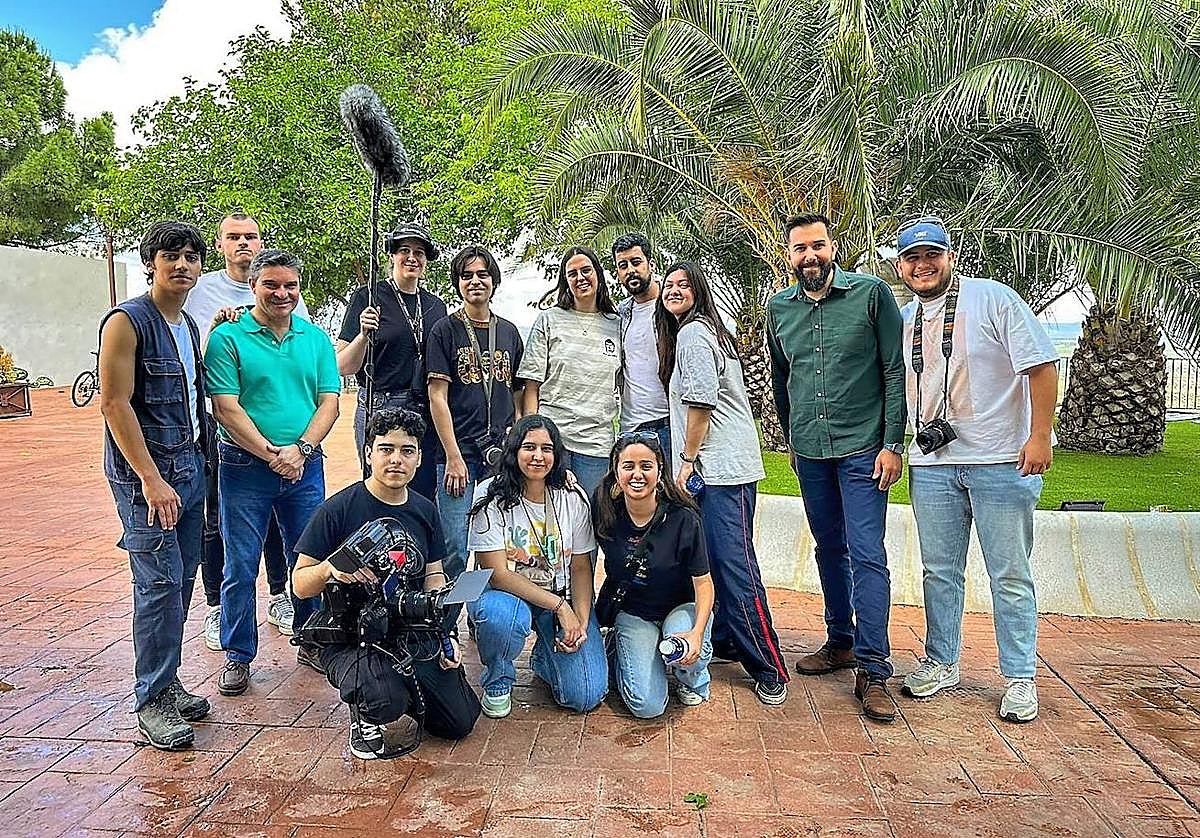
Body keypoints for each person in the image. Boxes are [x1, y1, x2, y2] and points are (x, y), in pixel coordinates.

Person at [894, 217, 1057, 723]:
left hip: (1000, 460)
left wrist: (1039, 436)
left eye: (932, 255)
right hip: (934, 463)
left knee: (1009, 573)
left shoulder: (994, 299)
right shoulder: (904, 318)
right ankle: (942, 662)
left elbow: (1042, 367)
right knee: (939, 571)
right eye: (913, 258)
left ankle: (1020, 677)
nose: (923, 266)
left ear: (950, 256)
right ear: (900, 266)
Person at [765, 213, 906, 723]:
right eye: (799, 249)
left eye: (817, 245)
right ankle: (840, 639)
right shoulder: (778, 308)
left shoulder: (872, 296)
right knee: (828, 547)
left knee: (867, 552)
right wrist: (789, 437)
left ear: (833, 247)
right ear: (789, 256)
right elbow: (782, 377)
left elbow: (894, 370)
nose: (810, 256)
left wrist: (893, 443)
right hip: (810, 451)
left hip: (865, 448)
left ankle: (874, 666)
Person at [292, 408, 481, 759]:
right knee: (385, 699)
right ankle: (368, 706)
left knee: (460, 721)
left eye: (407, 450)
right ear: (368, 453)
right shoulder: (339, 509)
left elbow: (433, 574)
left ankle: (401, 686)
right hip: (354, 635)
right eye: (386, 449)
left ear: (419, 457)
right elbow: (300, 584)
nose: (396, 459)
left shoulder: (425, 510)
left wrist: (445, 634)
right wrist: (330, 570)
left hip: (409, 629)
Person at [204, 249, 341, 696]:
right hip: (244, 468)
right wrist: (271, 453)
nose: (281, 294)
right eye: (271, 285)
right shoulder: (227, 338)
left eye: (290, 286)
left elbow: (329, 402)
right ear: (253, 286)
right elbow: (226, 408)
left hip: (305, 467)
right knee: (240, 564)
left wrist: (300, 450)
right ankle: (238, 654)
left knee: (309, 559)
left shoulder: (315, 338)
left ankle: (311, 639)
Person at [98, 221, 211, 749]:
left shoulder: (186, 325)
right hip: (149, 479)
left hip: (190, 470)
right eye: (172, 255)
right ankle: (152, 699)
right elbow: (115, 404)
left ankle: (168, 680)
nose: (182, 264)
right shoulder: (127, 322)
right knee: (158, 584)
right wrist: (149, 479)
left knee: (182, 579)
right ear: (150, 262)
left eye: (191, 256)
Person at [656, 261, 790, 705]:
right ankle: (731, 640)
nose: (674, 290)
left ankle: (768, 665)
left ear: (698, 290)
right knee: (718, 561)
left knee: (734, 567)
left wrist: (687, 461)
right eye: (668, 285)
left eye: (683, 284)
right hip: (731, 470)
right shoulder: (702, 331)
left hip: (719, 472)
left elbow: (700, 404)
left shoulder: (694, 334)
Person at [183, 213, 304, 651]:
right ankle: (222, 615)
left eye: (250, 236)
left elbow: (307, 370)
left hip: (295, 454)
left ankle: (280, 598)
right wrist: (217, 330)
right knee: (224, 532)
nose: (243, 243)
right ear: (220, 245)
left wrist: (300, 447)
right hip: (225, 440)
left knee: (284, 531)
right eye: (233, 237)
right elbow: (199, 366)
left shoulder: (291, 301)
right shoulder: (201, 291)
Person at [466, 415, 608, 718]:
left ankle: (545, 657)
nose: (538, 456)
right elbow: (499, 574)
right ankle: (498, 681)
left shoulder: (572, 496)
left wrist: (580, 622)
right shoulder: (489, 496)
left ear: (557, 454)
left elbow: (582, 566)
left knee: (584, 695)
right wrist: (560, 607)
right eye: (529, 447)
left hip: (560, 592)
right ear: (514, 451)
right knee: (499, 616)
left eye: (547, 448)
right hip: (506, 594)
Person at [426, 244, 525, 626]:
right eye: (466, 276)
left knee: (496, 543)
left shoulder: (510, 332)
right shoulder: (445, 331)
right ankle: (446, 624)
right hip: (458, 455)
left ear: (494, 281)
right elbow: (438, 395)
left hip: (499, 456)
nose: (475, 281)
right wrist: (452, 455)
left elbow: (518, 394)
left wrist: (516, 444)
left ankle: (484, 618)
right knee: (454, 542)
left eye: (483, 274)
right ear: (458, 284)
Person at [593, 432, 714, 718]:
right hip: (633, 613)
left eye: (646, 466)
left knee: (687, 651)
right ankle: (625, 654)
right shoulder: (605, 512)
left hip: (680, 608)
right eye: (628, 466)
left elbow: (704, 583)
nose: (637, 474)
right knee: (646, 707)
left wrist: (696, 634)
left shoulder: (683, 518)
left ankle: (692, 677)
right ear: (616, 470)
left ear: (660, 469)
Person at [337, 222, 447, 499]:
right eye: (405, 251)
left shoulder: (436, 305)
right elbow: (343, 365)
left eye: (419, 253)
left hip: (424, 405)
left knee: (423, 489)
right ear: (392, 255)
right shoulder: (369, 296)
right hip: (381, 403)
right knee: (383, 486)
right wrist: (363, 336)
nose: (412, 258)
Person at [518, 246, 621, 501]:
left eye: (586, 270)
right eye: (572, 273)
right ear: (565, 280)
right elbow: (531, 387)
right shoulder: (549, 320)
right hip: (554, 442)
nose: (580, 278)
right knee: (551, 518)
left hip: (597, 445)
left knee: (591, 519)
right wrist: (535, 436)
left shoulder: (617, 324)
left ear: (598, 274)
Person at [613, 232, 671, 458]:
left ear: (651, 264)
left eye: (636, 262)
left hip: (668, 424)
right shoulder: (620, 314)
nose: (630, 271)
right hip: (630, 425)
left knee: (670, 493)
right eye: (623, 265)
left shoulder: (671, 308)